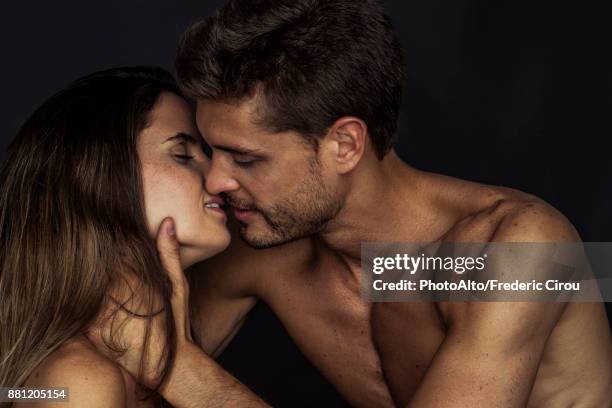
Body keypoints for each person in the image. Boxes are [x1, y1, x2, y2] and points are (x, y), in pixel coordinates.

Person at [92, 1, 611, 407]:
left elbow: (165, 367)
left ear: (345, 144)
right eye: (209, 151)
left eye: (245, 158)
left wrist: (177, 366)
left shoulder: (525, 249)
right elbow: (118, 373)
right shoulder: (265, 244)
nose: (216, 180)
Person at [0, 67, 266, 407]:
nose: (217, 178)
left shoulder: (263, 256)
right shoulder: (82, 380)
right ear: (99, 181)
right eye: (183, 154)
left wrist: (178, 365)